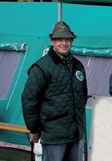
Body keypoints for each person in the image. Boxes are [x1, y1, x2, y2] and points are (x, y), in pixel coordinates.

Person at [21, 21, 88, 161]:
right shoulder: (42, 67)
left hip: (76, 133)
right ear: (52, 41)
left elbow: (82, 95)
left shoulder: (77, 65)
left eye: (67, 39)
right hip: (53, 134)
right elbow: (29, 99)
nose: (64, 43)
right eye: (59, 39)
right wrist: (34, 129)